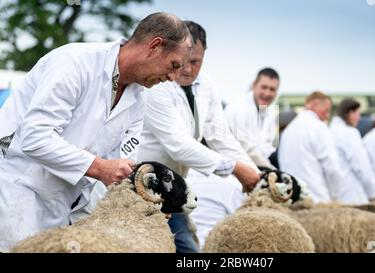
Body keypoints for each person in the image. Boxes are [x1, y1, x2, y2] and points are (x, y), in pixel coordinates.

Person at [0, 12, 192, 251]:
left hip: (66, 203)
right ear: (154, 45)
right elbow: (35, 137)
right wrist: (99, 167)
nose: (173, 77)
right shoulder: (74, 62)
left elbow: (121, 163)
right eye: (173, 65)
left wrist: (142, 203)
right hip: (19, 190)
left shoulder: (138, 99)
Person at [137, 21, 260, 253]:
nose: (187, 69)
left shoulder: (207, 85)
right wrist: (236, 169)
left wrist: (255, 174)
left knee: (187, 249)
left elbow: (220, 136)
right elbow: (178, 144)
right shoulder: (158, 86)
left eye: (196, 62)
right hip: (144, 188)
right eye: (183, 61)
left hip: (174, 191)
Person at [279, 91, 346, 203]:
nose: (327, 115)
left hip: (292, 199)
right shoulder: (319, 127)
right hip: (317, 200)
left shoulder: (289, 129)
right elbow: (332, 167)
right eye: (326, 110)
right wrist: (336, 195)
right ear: (314, 104)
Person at [225, 68, 279, 169]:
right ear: (254, 85)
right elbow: (246, 150)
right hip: (234, 171)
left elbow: (268, 147)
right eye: (264, 87)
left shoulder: (269, 112)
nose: (267, 93)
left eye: (272, 89)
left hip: (256, 168)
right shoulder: (237, 108)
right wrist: (271, 169)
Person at [329, 99, 375, 205]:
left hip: (334, 196)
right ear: (350, 113)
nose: (359, 118)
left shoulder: (329, 131)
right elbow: (362, 167)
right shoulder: (350, 133)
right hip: (353, 196)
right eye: (358, 113)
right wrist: (373, 193)